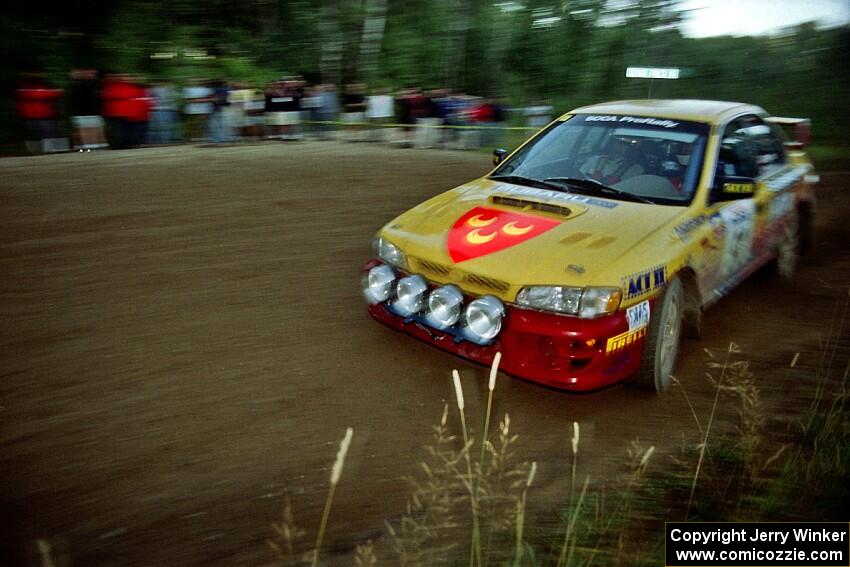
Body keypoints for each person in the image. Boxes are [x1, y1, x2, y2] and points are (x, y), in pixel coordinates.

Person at [579, 136, 644, 184]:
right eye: (618, 142)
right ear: (612, 144)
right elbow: (578, 177)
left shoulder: (635, 169)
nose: (620, 146)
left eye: (626, 144)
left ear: (632, 148)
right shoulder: (595, 159)